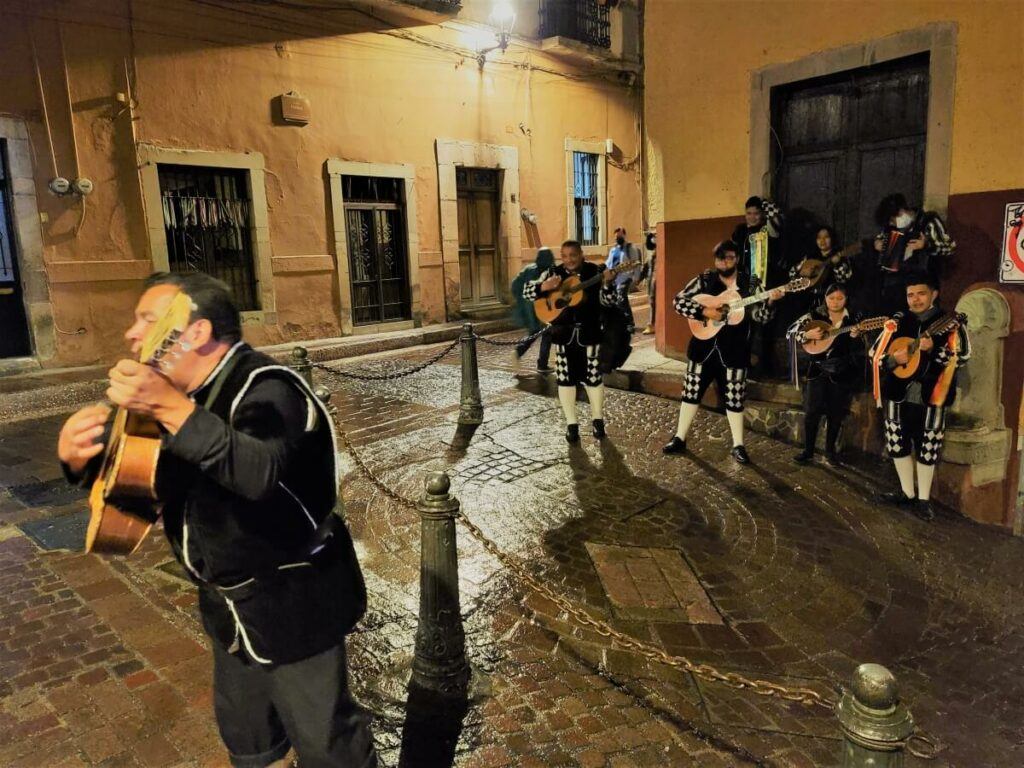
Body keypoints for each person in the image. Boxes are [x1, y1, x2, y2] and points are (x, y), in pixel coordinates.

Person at [57, 272, 377, 768]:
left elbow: (258, 474)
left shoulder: (268, 388)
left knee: (327, 742)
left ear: (194, 333)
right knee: (247, 736)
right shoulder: (176, 399)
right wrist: (78, 462)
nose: (131, 334)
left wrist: (169, 407)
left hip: (294, 605)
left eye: (147, 319)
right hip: (226, 608)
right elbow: (140, 494)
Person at [663, 240, 783, 464]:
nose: (724, 262)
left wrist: (770, 303)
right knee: (690, 393)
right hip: (702, 348)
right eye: (720, 258)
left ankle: (738, 445)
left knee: (735, 399)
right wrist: (704, 310)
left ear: (736, 258)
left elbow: (761, 318)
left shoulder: (751, 283)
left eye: (728, 257)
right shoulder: (704, 279)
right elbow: (678, 302)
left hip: (735, 350)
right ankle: (679, 437)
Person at [868, 274, 971, 521]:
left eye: (921, 294)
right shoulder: (897, 322)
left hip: (933, 395)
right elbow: (875, 354)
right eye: (910, 295)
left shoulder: (950, 322)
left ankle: (923, 499)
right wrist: (894, 360)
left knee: (928, 446)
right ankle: (906, 493)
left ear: (934, 294)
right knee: (897, 443)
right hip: (897, 394)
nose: (915, 299)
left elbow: (964, 355)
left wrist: (934, 349)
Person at [523, 240, 617, 442]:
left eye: (572, 255)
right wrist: (544, 286)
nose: (568, 260)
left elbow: (609, 302)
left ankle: (597, 421)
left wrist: (608, 283)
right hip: (563, 336)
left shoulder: (596, 271)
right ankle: (571, 425)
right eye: (564, 256)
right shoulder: (554, 273)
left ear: (581, 254)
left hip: (589, 334)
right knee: (565, 380)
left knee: (593, 378)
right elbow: (527, 292)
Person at [787, 284, 863, 467]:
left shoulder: (853, 319)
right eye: (831, 298)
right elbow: (791, 332)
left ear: (846, 299)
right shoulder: (814, 315)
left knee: (836, 413)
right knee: (811, 411)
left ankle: (830, 453)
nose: (835, 302)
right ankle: (808, 451)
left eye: (840, 298)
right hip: (817, 370)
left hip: (841, 371)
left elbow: (859, 348)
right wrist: (807, 334)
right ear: (825, 298)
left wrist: (854, 337)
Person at [873, 193, 956, 316]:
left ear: (902, 211)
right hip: (897, 289)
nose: (892, 224)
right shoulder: (890, 228)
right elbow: (879, 240)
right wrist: (878, 244)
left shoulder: (928, 221)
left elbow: (950, 247)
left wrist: (926, 245)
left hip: (923, 284)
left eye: (892, 219)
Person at [731, 196, 785, 376]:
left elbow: (777, 223)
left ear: (762, 214)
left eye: (756, 213)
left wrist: (768, 204)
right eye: (749, 213)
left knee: (766, 327)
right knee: (746, 328)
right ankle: (745, 366)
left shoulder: (767, 230)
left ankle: (766, 369)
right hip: (744, 287)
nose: (752, 217)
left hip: (766, 285)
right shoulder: (739, 232)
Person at [789, 226, 854, 313]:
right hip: (809, 302)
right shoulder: (810, 257)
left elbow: (843, 279)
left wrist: (837, 264)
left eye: (826, 237)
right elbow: (792, 275)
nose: (822, 240)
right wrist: (801, 271)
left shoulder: (840, 256)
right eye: (819, 237)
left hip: (832, 303)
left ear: (832, 239)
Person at [511, 247, 555, 373]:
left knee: (535, 332)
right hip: (540, 307)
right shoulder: (548, 271)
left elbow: (515, 285)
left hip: (529, 306)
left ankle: (519, 352)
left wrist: (520, 300)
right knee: (546, 333)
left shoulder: (529, 268)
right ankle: (541, 364)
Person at [605, 227, 642, 331]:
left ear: (624, 235)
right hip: (613, 279)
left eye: (620, 236)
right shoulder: (613, 250)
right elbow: (608, 263)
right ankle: (619, 322)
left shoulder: (630, 248)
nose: (618, 238)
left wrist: (636, 278)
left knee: (622, 298)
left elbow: (636, 263)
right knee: (614, 300)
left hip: (625, 277)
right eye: (616, 236)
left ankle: (630, 323)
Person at [640, 230, 657, 335]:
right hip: (651, 281)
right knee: (652, 302)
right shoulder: (652, 253)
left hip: (656, 281)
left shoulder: (659, 252)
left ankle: (652, 324)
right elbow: (646, 267)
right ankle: (651, 324)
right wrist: (640, 278)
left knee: (653, 303)